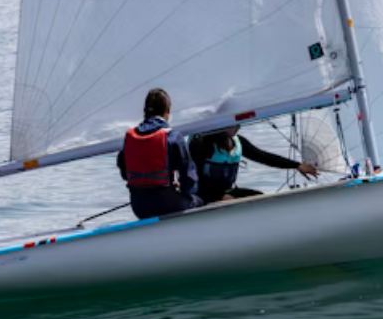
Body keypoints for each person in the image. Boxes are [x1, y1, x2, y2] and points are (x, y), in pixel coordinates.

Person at [116, 88, 204, 220]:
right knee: (198, 201)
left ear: (145, 112)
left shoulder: (130, 138)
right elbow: (189, 179)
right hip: (167, 204)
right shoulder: (173, 137)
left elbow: (125, 174)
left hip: (139, 207)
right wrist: (184, 192)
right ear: (167, 111)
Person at [189, 126, 319, 204]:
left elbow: (263, 157)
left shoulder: (238, 141)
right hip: (204, 196)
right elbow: (191, 176)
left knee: (260, 198)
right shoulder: (201, 144)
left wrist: (297, 165)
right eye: (233, 124)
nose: (237, 126)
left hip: (229, 193)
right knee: (231, 201)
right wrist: (216, 197)